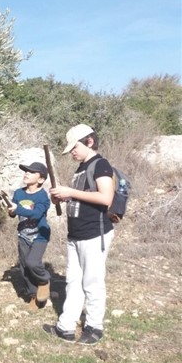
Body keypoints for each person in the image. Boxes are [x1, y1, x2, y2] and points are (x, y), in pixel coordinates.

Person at [44, 124, 115, 346]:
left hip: (95, 233)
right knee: (73, 282)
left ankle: (94, 327)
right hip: (76, 234)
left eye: (74, 147)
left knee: (92, 282)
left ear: (89, 142)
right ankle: (65, 326)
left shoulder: (100, 165)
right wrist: (64, 197)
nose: (72, 152)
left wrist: (70, 192)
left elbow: (105, 198)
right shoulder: (81, 168)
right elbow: (84, 198)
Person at [7, 162, 52, 312]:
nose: (26, 173)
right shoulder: (19, 193)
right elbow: (13, 212)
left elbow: (37, 213)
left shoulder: (43, 196)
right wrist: (12, 211)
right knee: (25, 267)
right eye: (26, 171)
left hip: (40, 234)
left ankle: (44, 281)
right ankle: (34, 296)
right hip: (23, 235)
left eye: (31, 172)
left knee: (33, 262)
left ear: (40, 179)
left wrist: (18, 209)